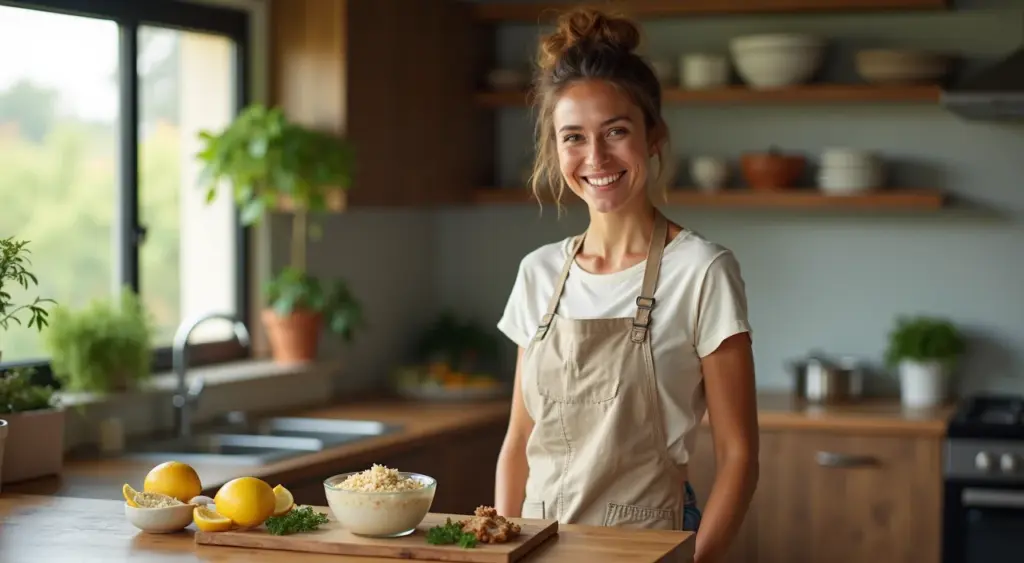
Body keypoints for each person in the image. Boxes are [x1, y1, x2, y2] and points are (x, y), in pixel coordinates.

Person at [493, 6, 759, 563]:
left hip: (650, 547)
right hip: (538, 547)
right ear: (555, 149)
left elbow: (739, 456)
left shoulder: (702, 270)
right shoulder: (538, 272)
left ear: (653, 136)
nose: (596, 158)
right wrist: (503, 551)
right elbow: (519, 440)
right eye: (574, 137)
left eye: (616, 131)